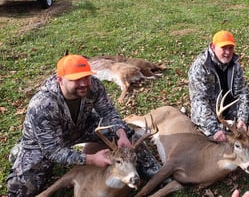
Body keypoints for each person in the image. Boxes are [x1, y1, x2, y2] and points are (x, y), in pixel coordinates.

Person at [6, 54, 160, 197]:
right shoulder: (42, 106)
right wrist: (90, 159)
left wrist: (120, 133)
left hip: (81, 127)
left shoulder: (93, 86)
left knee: (127, 131)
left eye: (86, 77)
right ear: (60, 79)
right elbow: (52, 150)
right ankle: (20, 151)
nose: (84, 83)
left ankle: (150, 169)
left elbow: (108, 112)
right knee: (20, 190)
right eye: (76, 79)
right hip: (45, 144)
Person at [188, 30, 249, 142]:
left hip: (229, 108)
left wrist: (242, 119)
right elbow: (199, 100)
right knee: (209, 136)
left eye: (230, 48)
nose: (227, 52)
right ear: (213, 46)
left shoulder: (235, 64)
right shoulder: (201, 67)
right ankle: (212, 129)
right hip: (210, 111)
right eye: (224, 48)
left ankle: (230, 126)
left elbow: (242, 93)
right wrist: (214, 129)